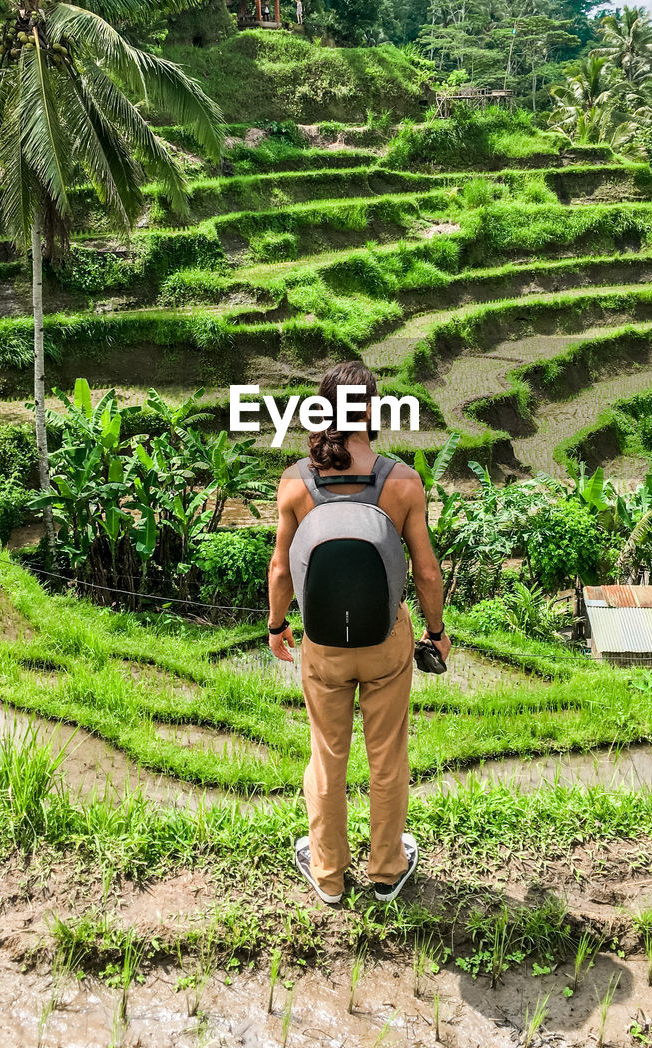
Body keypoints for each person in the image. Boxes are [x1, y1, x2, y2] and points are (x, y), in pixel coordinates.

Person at [267, 361, 449, 905]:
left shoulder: (297, 481)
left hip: (323, 645)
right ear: (371, 411)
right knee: (387, 755)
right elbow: (427, 573)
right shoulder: (403, 482)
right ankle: (387, 871)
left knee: (327, 755)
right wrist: (436, 634)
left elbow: (280, 571)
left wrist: (278, 626)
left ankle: (327, 874)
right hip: (386, 640)